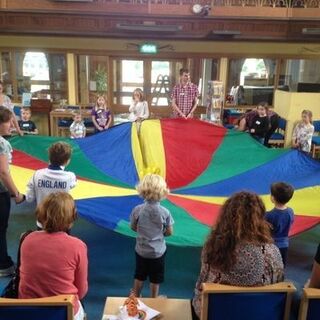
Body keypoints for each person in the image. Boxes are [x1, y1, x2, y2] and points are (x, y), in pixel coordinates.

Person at [192, 191, 284, 319]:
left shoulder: (212, 248)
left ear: (225, 217)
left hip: (216, 314)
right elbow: (278, 285)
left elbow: (201, 283)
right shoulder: (272, 251)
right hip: (259, 314)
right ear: (260, 218)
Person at [19, 192, 88, 320]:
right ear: (71, 217)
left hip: (28, 311)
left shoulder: (27, 239)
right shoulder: (78, 246)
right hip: (62, 312)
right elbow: (81, 290)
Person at [130, 174, 174, 298]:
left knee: (139, 275)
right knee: (155, 278)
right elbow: (170, 232)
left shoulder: (137, 210)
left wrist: (143, 232)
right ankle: (154, 298)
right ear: (163, 192)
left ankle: (136, 297)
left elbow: (133, 227)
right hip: (157, 252)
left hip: (141, 251)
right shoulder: (165, 212)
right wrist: (161, 234)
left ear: (142, 190)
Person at [25, 141, 77, 229]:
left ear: (49, 158)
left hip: (42, 222)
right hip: (63, 222)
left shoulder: (37, 174)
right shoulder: (70, 177)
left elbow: (29, 198)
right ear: (67, 161)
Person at [0, 106, 25, 276]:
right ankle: (3, 264)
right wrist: (16, 193)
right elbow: (3, 172)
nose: (11, 125)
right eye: (9, 121)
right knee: (1, 227)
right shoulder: (2, 144)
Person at [266, 182, 295, 267]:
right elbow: (291, 222)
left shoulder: (269, 215)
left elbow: (266, 230)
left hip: (272, 244)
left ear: (273, 198)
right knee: (281, 265)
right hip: (285, 244)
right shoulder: (290, 211)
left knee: (271, 265)